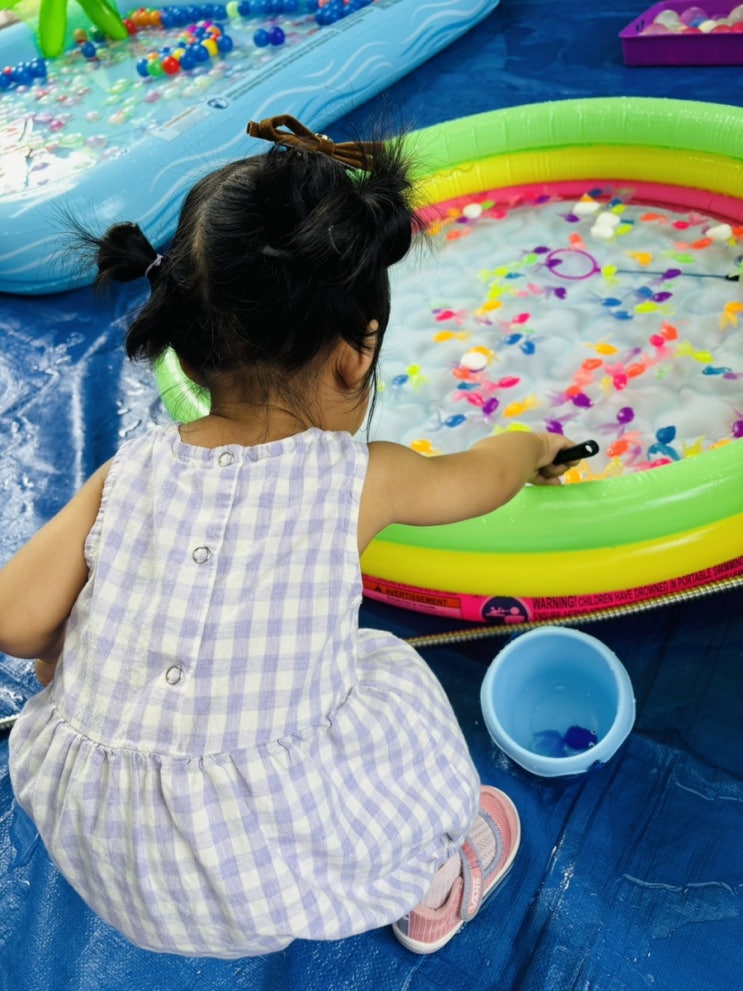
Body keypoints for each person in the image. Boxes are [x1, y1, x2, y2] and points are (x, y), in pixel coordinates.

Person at [0, 115, 577, 958]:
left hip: (103, 847)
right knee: (388, 676)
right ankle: (428, 880)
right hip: (255, 884)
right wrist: (528, 445)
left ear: (185, 347)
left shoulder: (129, 471)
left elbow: (15, 622)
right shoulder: (362, 476)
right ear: (355, 358)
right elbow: (479, 478)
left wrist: (72, 649)